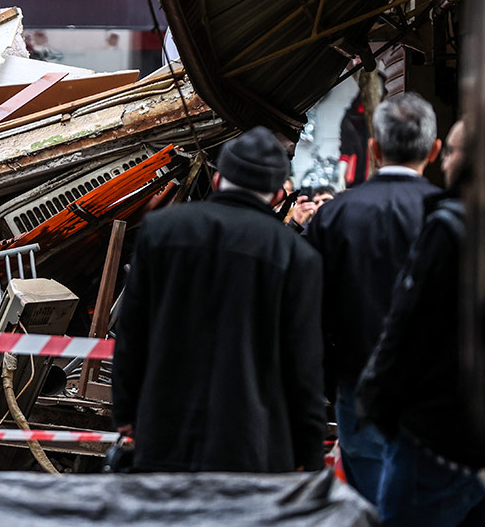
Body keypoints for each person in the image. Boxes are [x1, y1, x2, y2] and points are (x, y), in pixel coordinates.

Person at [111, 127, 326, 472]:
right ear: (275, 196)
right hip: (252, 446)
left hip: (164, 432)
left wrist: (126, 412)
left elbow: (132, 332)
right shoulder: (296, 256)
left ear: (217, 179)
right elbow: (303, 366)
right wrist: (309, 452)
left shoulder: (161, 230)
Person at [305, 92, 442, 501]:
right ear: (434, 150)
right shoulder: (451, 213)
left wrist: (328, 378)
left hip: (357, 382)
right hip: (435, 390)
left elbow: (310, 308)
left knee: (367, 499)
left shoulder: (335, 215)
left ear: (374, 149)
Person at [357, 119, 485, 525]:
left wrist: (375, 400)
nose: (446, 161)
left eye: (452, 151)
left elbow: (407, 327)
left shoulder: (451, 226)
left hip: (437, 433)